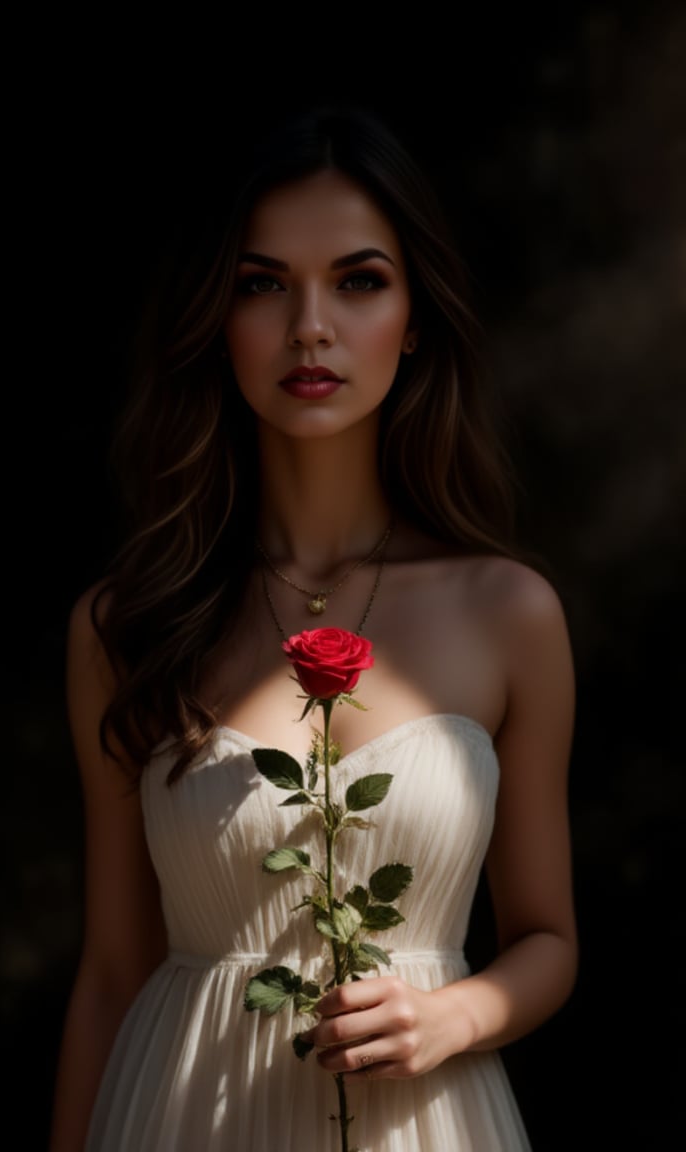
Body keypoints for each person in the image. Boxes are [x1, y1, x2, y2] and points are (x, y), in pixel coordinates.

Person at [48, 103, 577, 1152]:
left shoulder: (510, 613)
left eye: (358, 280)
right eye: (262, 284)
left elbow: (549, 938)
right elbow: (112, 969)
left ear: (416, 314)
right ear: (217, 314)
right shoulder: (126, 623)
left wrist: (457, 1014)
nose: (310, 327)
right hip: (177, 1120)